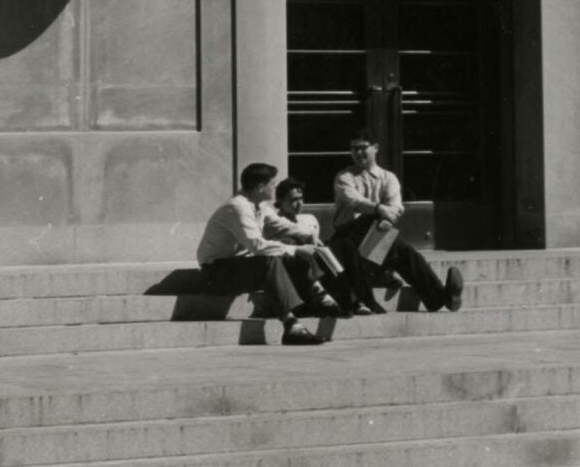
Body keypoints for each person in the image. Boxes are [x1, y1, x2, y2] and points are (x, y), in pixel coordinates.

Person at [195, 162, 337, 342]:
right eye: (272, 184)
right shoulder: (238, 207)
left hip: (238, 267)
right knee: (270, 260)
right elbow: (257, 246)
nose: (274, 188)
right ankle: (291, 326)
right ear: (260, 187)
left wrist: (307, 236)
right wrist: (298, 249)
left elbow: (281, 225)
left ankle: (320, 296)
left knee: (292, 241)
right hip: (215, 273)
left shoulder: (259, 205)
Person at [327, 136, 464, 316]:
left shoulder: (388, 177)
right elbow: (354, 200)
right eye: (354, 149)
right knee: (377, 226)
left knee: (402, 250)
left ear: (375, 148)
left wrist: (387, 220)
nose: (358, 152)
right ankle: (436, 295)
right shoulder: (344, 177)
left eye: (362, 147)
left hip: (375, 241)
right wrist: (379, 210)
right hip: (348, 240)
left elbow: (396, 206)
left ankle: (437, 297)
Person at [264, 178, 363, 317]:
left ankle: (349, 299)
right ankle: (340, 300)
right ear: (280, 201)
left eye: (301, 198)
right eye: (293, 200)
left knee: (340, 246)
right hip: (296, 270)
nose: (299, 203)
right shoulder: (274, 222)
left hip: (315, 268)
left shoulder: (309, 219)